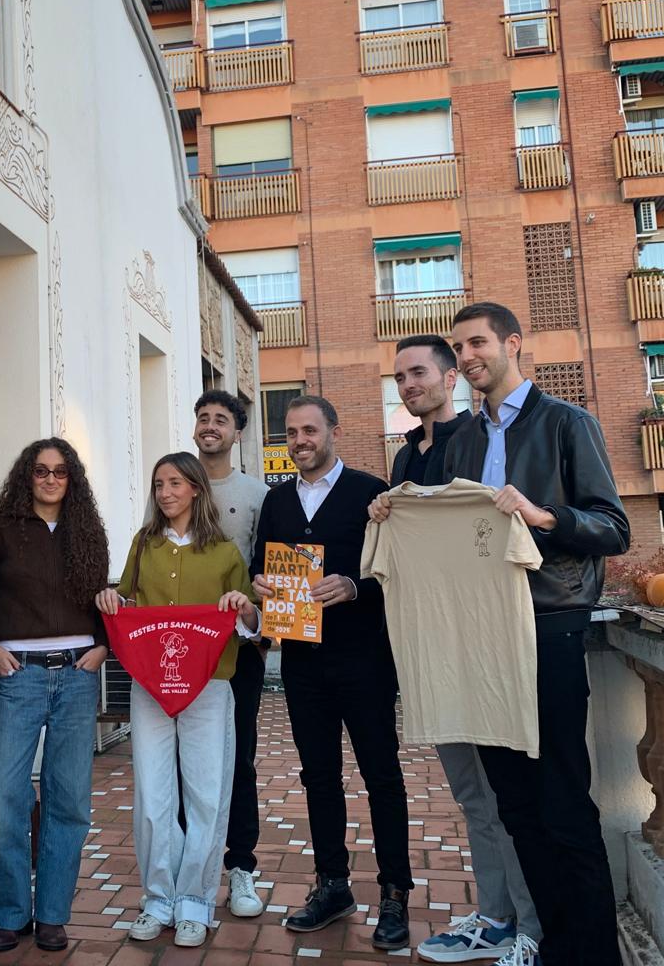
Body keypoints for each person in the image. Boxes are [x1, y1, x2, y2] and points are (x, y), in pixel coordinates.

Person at [375, 304, 629, 966]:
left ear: (513, 343)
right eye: (459, 347)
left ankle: (592, 955)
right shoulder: (460, 442)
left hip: (549, 625)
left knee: (563, 801)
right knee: (515, 805)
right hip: (479, 639)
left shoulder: (566, 423)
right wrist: (392, 512)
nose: (468, 356)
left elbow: (614, 528)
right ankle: (548, 945)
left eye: (477, 342)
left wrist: (545, 516)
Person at [386, 335, 539, 964]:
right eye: (400, 377)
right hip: (433, 651)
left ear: (451, 377)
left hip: (486, 644)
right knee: (473, 795)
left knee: (509, 796)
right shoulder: (404, 457)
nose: (408, 384)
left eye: (419, 372)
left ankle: (531, 927)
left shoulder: (478, 441)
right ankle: (497, 916)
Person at [250, 394, 412, 950]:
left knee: (381, 776)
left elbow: (397, 572)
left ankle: (395, 893)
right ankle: (333, 885)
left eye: (310, 430)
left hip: (365, 660)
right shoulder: (276, 501)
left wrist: (354, 586)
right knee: (318, 778)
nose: (300, 441)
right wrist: (261, 583)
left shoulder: (371, 494)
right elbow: (260, 566)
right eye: (292, 432)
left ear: (333, 432)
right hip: (302, 662)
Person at [95, 452, 257, 949]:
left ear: (195, 489)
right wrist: (112, 600)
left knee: (206, 793)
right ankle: (158, 898)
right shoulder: (144, 544)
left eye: (175, 483)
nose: (165, 493)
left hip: (210, 685)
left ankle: (195, 902)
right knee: (153, 794)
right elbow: (127, 600)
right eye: (158, 484)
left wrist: (243, 606)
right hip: (150, 686)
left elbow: (251, 622)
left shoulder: (225, 552)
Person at [0, 438, 109, 954]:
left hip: (77, 675)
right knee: (7, 795)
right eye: (41, 471)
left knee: (68, 798)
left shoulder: (87, 530)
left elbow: (105, 598)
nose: (51, 480)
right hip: (17, 677)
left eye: (60, 472)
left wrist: (103, 645)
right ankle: (10, 915)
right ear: (26, 475)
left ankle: (52, 914)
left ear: (72, 479)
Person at [190, 388, 268, 919]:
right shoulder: (175, 484)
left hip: (239, 648)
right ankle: (185, 866)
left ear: (237, 433)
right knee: (183, 762)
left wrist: (262, 631)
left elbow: (267, 571)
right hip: (182, 648)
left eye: (221, 419)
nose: (210, 426)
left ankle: (241, 867)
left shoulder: (257, 494)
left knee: (238, 758)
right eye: (203, 417)